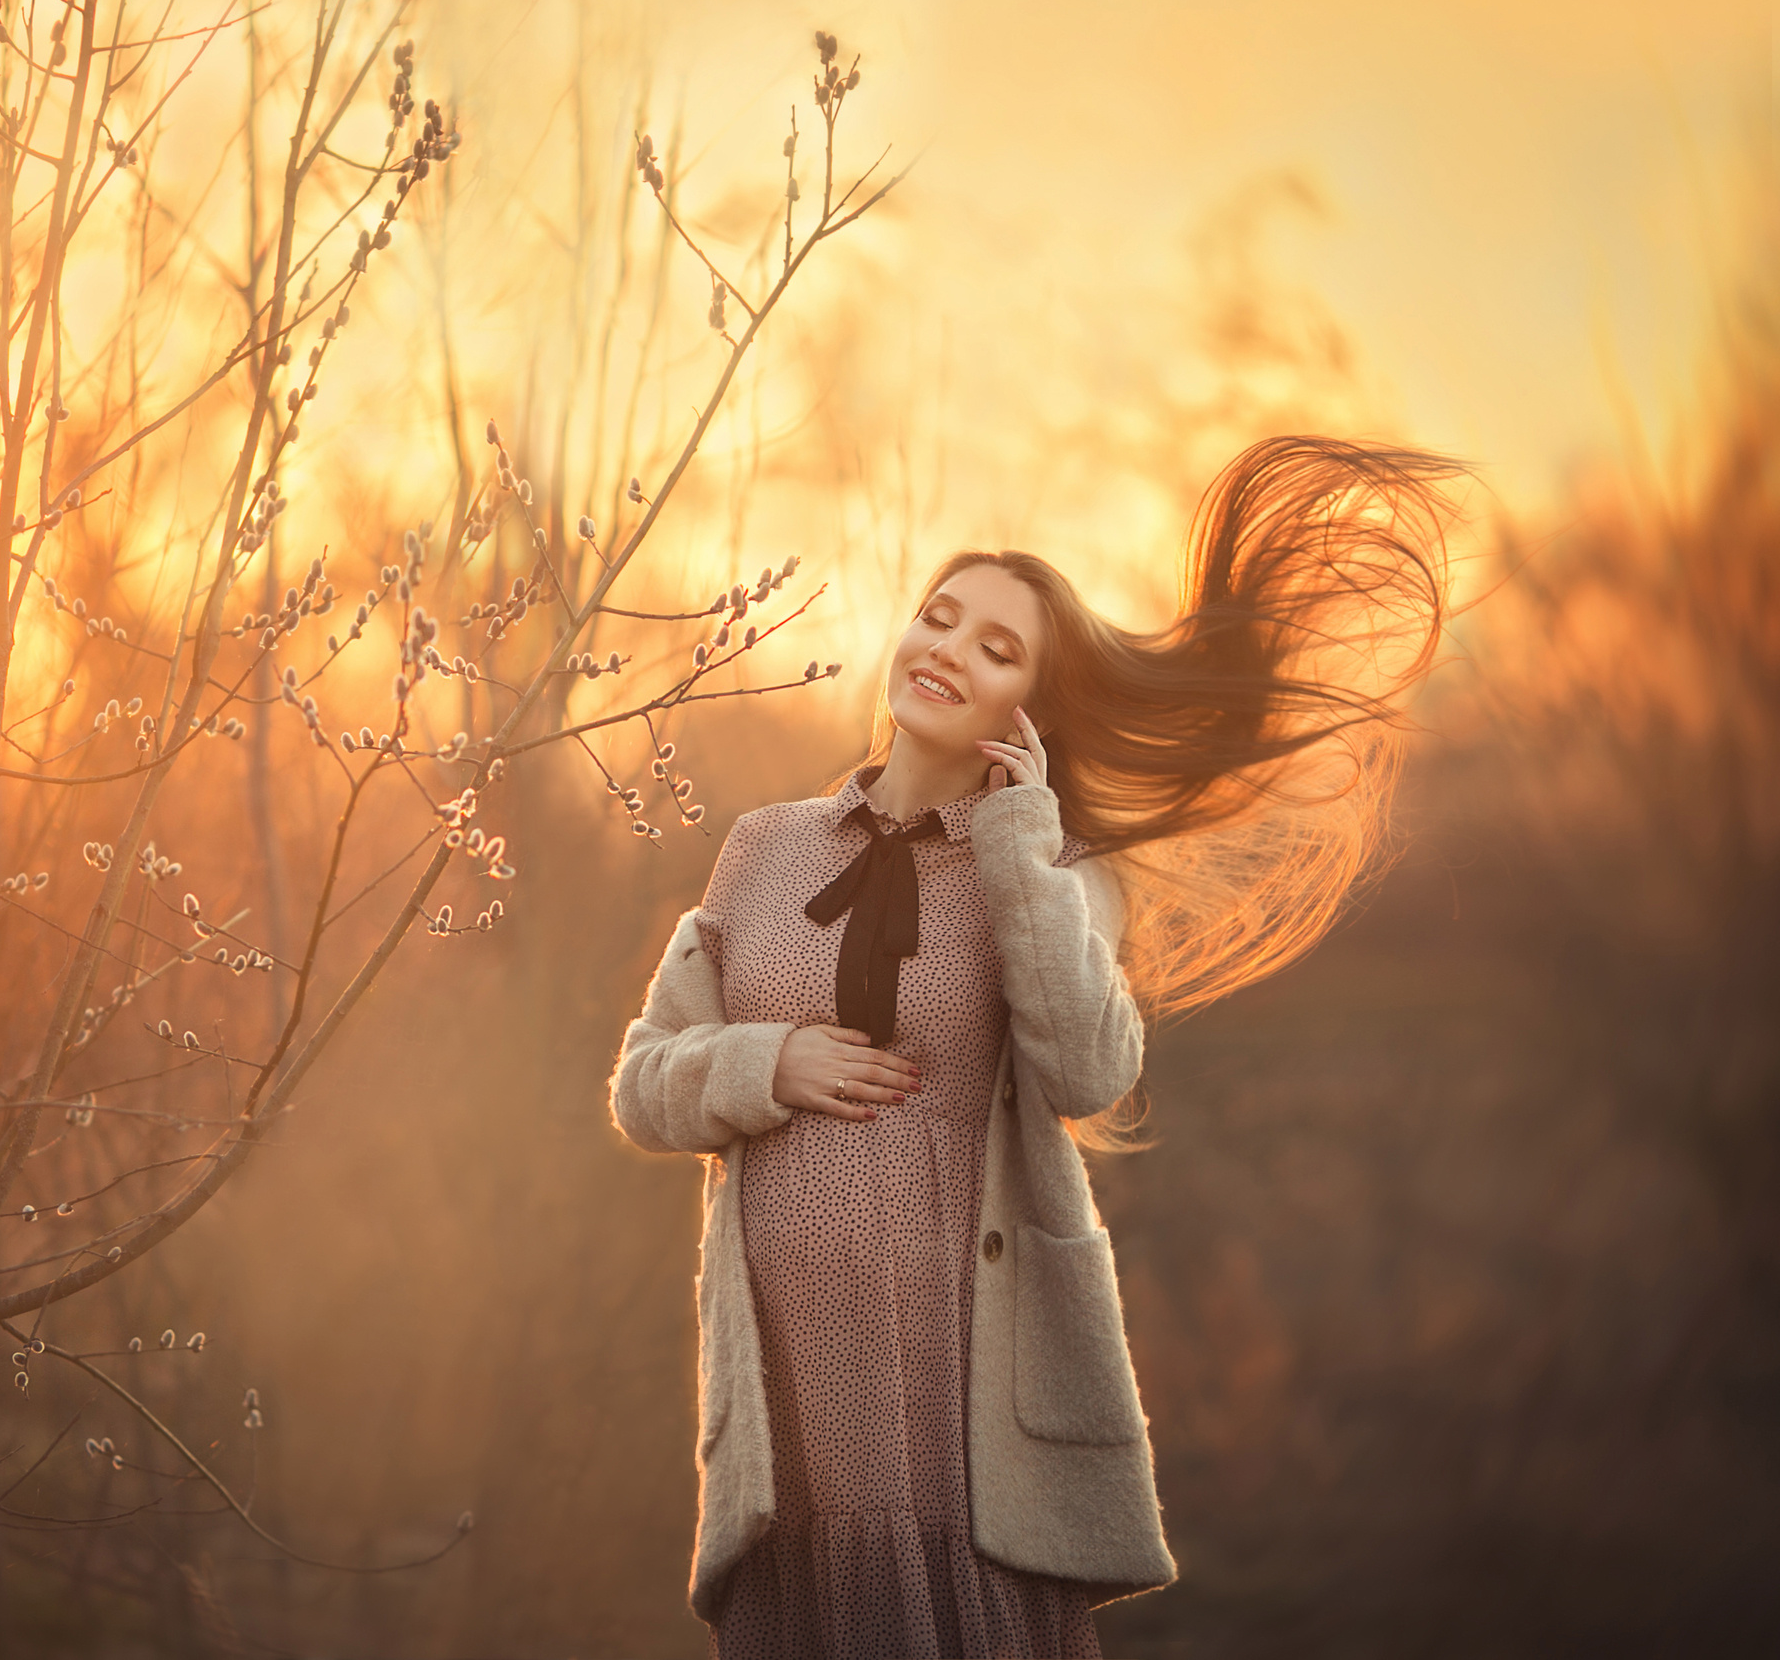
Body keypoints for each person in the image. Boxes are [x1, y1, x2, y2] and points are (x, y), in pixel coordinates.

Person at [609, 436, 1463, 1658]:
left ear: (1031, 710)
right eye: (939, 616)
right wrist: (763, 1063)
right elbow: (645, 1082)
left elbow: (1087, 1069)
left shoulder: (1061, 869)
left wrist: (1017, 837)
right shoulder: (763, 845)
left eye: (995, 648)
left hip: (964, 1386)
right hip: (791, 1394)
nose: (948, 648)